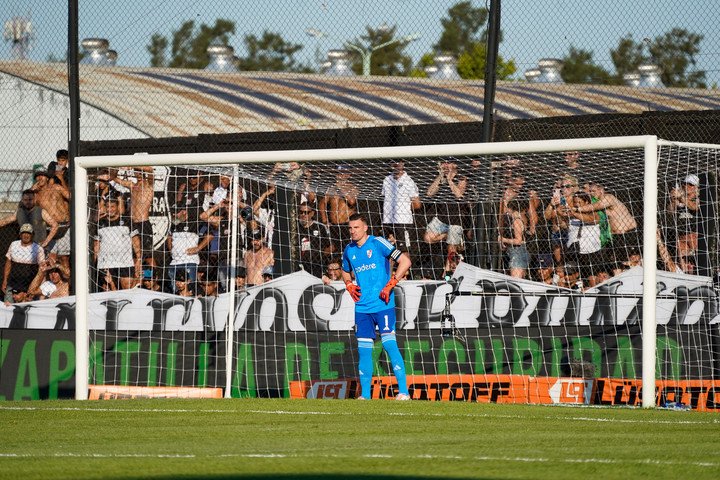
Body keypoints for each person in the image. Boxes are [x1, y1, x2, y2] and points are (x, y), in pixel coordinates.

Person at [341, 213, 412, 401]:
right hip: (362, 307)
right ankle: (365, 396)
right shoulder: (349, 250)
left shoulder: (378, 243)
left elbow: (405, 261)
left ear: (365, 228)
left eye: (356, 227)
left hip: (383, 305)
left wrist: (391, 284)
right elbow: (345, 270)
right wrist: (348, 284)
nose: (352, 231)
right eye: (350, 228)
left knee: (389, 345)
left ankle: (403, 392)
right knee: (364, 350)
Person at [109, 166, 157, 268]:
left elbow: (151, 170)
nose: (138, 173)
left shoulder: (149, 185)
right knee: (135, 255)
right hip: (133, 224)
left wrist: (133, 165)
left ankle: (154, 279)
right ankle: (137, 280)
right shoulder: (133, 185)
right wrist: (118, 167)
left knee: (148, 256)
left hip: (143, 223)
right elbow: (114, 178)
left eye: (140, 171)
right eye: (136, 172)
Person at [423, 158, 468, 257]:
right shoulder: (441, 178)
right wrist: (441, 177)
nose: (446, 165)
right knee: (428, 238)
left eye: (448, 163)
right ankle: (447, 236)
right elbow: (429, 193)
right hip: (442, 219)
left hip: (456, 220)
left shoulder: (461, 178)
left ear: (455, 165)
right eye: (444, 163)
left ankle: (448, 271)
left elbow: (459, 195)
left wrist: (449, 180)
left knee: (451, 251)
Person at [93, 198, 141, 290]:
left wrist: (138, 259)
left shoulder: (127, 221)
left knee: (127, 289)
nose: (110, 209)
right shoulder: (100, 223)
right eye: (107, 207)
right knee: (107, 290)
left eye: (112, 206)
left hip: (124, 262)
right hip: (106, 262)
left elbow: (135, 240)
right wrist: (95, 262)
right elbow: (96, 245)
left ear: (118, 207)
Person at [31, 169, 71, 270]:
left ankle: (68, 283)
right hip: (50, 228)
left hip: (64, 225)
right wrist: (32, 190)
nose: (40, 178)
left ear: (47, 178)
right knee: (49, 258)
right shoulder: (36, 195)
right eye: (37, 176)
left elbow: (71, 197)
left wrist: (61, 179)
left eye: (42, 176)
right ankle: (50, 283)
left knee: (64, 258)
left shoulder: (56, 187)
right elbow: (25, 205)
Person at [381, 160, 421, 258]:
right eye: (393, 162)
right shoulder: (387, 180)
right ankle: (389, 274)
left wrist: (403, 205)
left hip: (403, 222)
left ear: (403, 164)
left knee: (404, 252)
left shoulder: (409, 181)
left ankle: (406, 273)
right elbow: (384, 199)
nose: (396, 164)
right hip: (387, 222)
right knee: (387, 252)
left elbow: (417, 205)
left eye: (399, 162)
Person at [319, 165, 358, 253]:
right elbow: (322, 203)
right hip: (333, 226)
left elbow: (352, 202)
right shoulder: (331, 189)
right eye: (339, 173)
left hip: (346, 225)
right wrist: (325, 220)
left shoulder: (352, 187)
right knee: (333, 250)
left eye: (343, 173)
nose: (340, 176)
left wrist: (340, 187)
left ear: (349, 175)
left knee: (349, 249)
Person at [2, 223, 45, 295]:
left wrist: (38, 284)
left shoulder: (38, 248)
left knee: (27, 304)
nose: (26, 235)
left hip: (30, 282)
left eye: (28, 233)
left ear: (32, 235)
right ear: (20, 234)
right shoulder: (13, 244)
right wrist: (5, 280)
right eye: (23, 233)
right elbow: (8, 262)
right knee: (8, 304)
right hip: (12, 281)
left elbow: (42, 268)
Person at [668, 174, 701, 260]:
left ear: (696, 187)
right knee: (681, 260)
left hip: (694, 237)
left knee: (696, 261)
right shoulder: (680, 198)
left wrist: (681, 197)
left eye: (690, 184)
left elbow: (694, 207)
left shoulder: (699, 198)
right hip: (681, 236)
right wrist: (673, 199)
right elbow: (670, 212)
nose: (686, 186)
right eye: (685, 184)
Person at [297, 202, 332, 278]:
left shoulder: (320, 227)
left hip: (316, 265)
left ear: (312, 214)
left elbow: (330, 246)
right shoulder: (295, 227)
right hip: (299, 264)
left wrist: (320, 257)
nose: (303, 215)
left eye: (306, 212)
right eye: (301, 212)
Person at [498, 199, 529, 279]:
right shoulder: (517, 220)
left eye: (508, 208)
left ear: (511, 209)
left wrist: (503, 239)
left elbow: (518, 241)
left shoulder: (516, 221)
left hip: (518, 254)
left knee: (516, 282)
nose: (507, 211)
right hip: (517, 253)